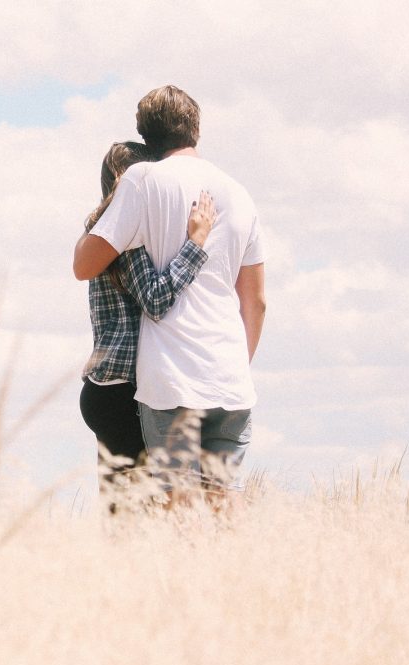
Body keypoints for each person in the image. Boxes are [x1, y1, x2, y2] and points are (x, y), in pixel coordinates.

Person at [73, 86, 267, 508]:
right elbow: (256, 302)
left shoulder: (142, 186)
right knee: (224, 503)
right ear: (196, 126)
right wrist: (236, 361)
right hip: (227, 375)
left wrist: (193, 244)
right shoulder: (239, 192)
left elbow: (88, 267)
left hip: (165, 379)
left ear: (147, 133)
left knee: (160, 510)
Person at [78, 141, 216, 500]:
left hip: (103, 386)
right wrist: (195, 245)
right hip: (127, 391)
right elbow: (155, 299)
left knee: (120, 515)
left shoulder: (99, 231)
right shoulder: (128, 236)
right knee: (146, 515)